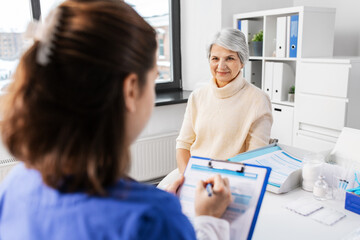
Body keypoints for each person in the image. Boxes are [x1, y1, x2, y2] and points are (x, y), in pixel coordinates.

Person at [0, 1, 232, 239]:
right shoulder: (152, 219)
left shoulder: (14, 185)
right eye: (153, 79)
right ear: (131, 89)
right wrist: (208, 220)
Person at [176, 28, 273, 173]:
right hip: (194, 174)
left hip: (232, 180)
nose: (221, 66)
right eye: (215, 58)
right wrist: (187, 179)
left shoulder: (258, 100)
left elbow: (255, 160)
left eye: (229, 58)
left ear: (242, 61)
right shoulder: (197, 96)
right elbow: (183, 146)